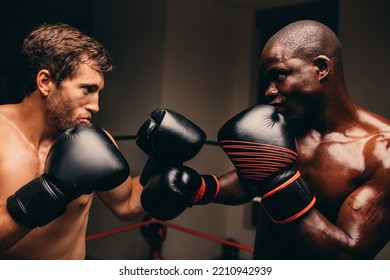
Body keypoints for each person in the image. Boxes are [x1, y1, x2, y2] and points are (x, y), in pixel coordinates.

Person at [137, 20, 390, 259]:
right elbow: (253, 179)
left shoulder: (381, 151)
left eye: (279, 76)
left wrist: (277, 184)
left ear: (321, 68)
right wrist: (202, 188)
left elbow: (348, 257)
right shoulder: (289, 123)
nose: (269, 91)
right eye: (267, 80)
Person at [0, 23, 146, 259]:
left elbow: (127, 204)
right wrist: (49, 193)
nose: (96, 106)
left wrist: (160, 170)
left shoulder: (94, 143)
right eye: (86, 89)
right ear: (45, 82)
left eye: (98, 91)